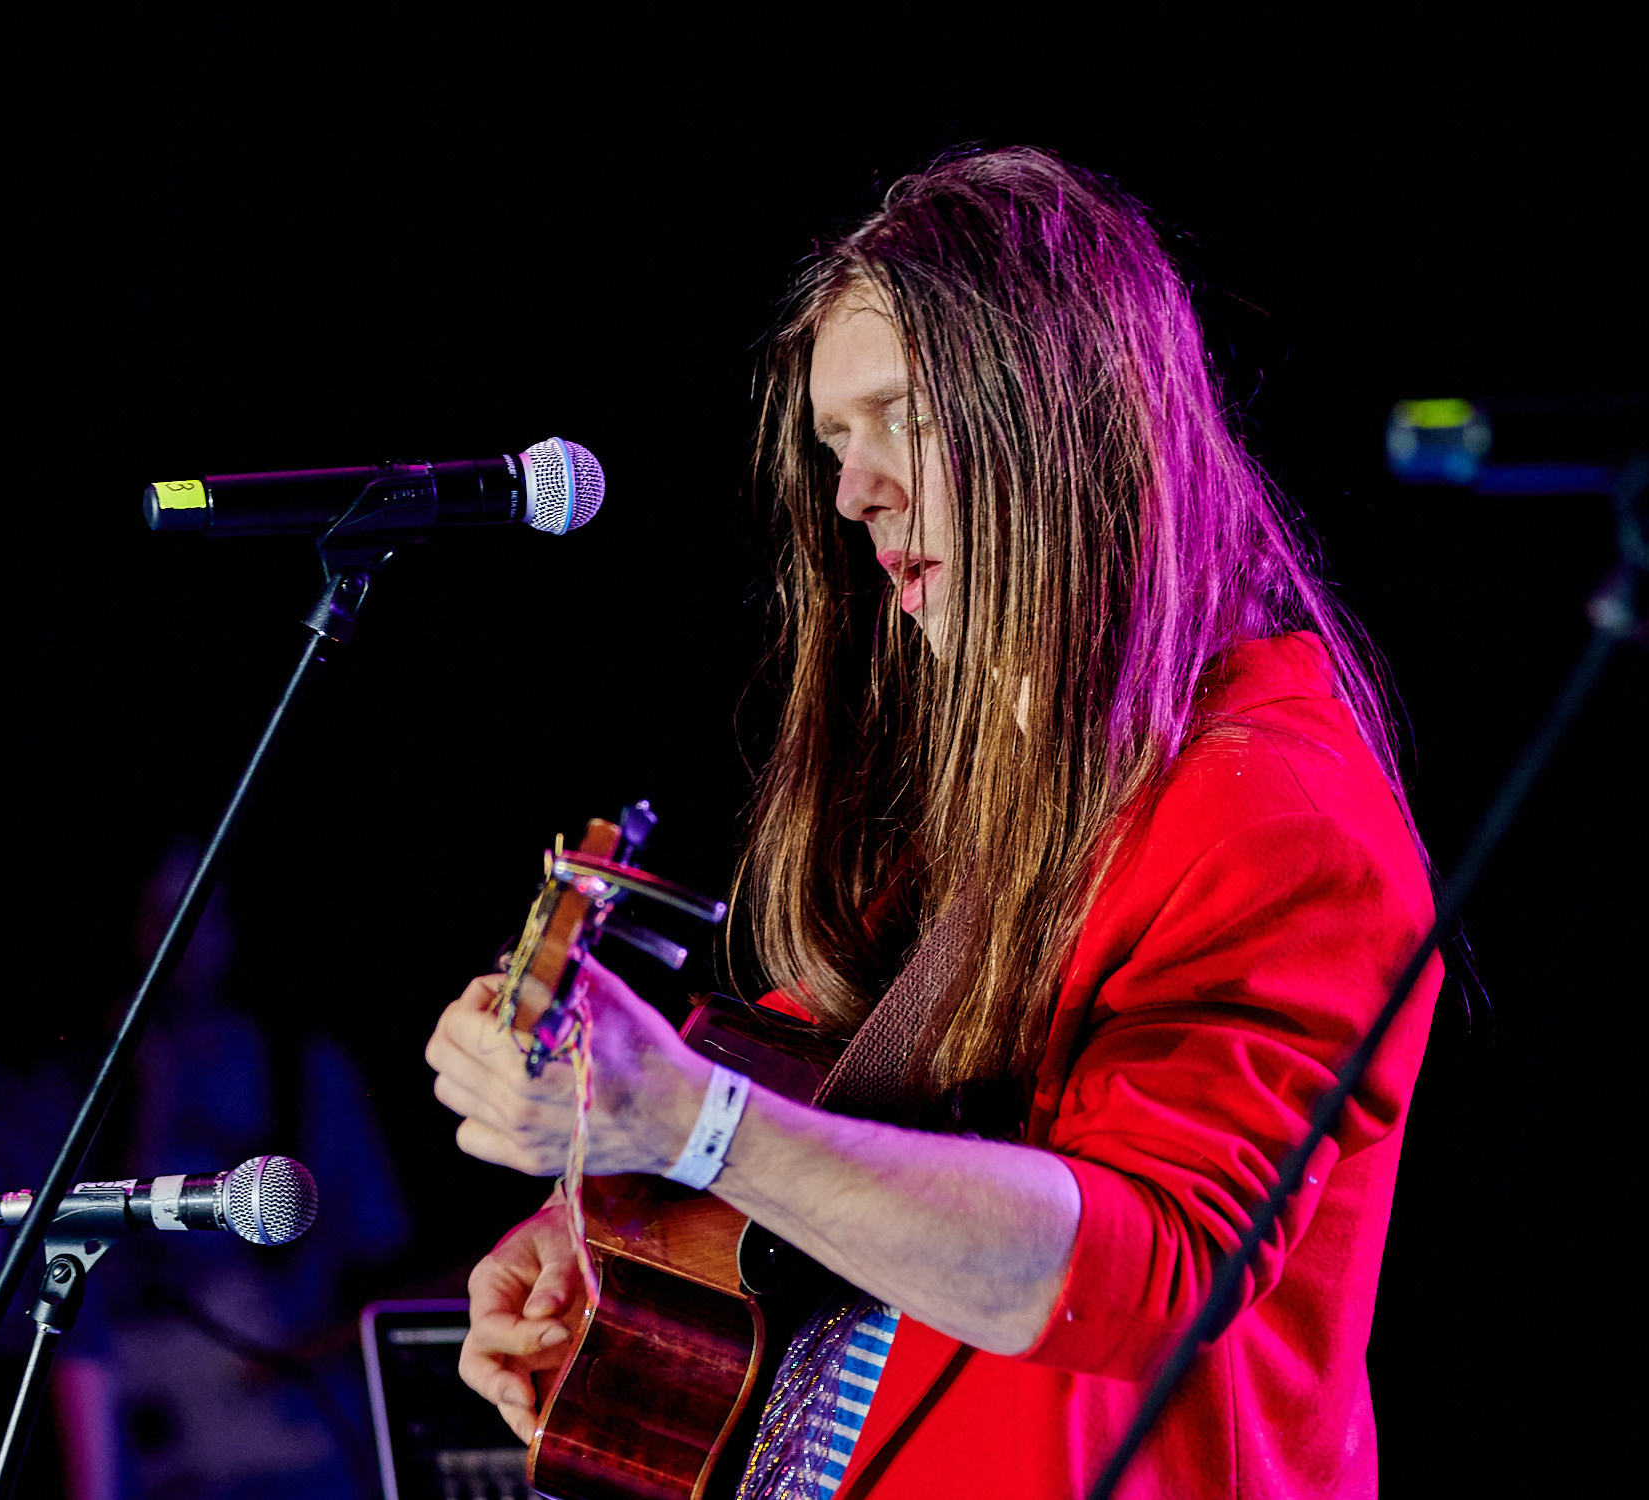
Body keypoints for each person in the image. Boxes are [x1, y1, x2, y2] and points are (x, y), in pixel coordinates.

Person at [424, 147, 1443, 1500]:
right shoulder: (1029, 780)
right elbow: (835, 1098)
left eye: (899, 416)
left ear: (1060, 414)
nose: (855, 496)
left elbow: (1146, 1272)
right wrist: (606, 1214)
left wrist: (688, 1122)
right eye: (837, 444)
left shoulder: (1275, 814)